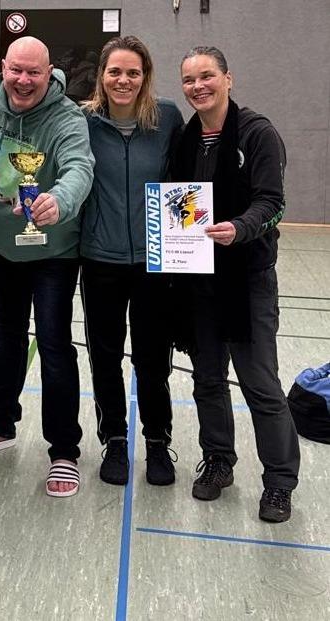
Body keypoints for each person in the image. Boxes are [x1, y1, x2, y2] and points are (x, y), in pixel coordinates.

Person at [0, 37, 94, 498]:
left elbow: (79, 168)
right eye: (15, 70)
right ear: (3, 67)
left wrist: (60, 199)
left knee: (54, 346)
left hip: (53, 253)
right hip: (1, 246)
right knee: (6, 335)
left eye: (33, 72)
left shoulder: (66, 118)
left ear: (48, 72)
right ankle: (0, 424)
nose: (23, 80)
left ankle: (64, 450)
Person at [172, 46, 299, 522]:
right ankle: (219, 460)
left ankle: (279, 482)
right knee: (207, 379)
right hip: (198, 281)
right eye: (189, 80)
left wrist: (240, 228)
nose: (198, 86)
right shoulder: (185, 139)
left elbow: (273, 203)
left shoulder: (257, 133)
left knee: (260, 384)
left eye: (207, 76)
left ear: (228, 79)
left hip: (247, 280)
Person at [78, 36, 183, 487]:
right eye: (115, 72)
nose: (124, 80)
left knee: (153, 359)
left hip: (153, 260)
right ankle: (115, 440)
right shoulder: (82, 121)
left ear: (145, 77)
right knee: (104, 357)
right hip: (99, 258)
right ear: (102, 76)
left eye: (133, 73)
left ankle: (158, 441)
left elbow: (185, 180)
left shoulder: (168, 118)